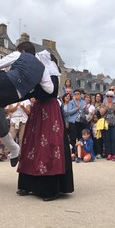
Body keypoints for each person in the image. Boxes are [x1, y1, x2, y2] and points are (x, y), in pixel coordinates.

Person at [16, 51, 74, 201]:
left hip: (49, 111)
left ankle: (50, 189)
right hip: (38, 111)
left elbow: (50, 92)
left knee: (50, 145)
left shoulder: (52, 73)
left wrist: (31, 90)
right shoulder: (39, 73)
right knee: (32, 145)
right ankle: (28, 184)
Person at [100, 90, 115, 161]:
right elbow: (101, 113)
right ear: (106, 97)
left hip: (114, 123)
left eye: (111, 96)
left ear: (113, 97)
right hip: (106, 124)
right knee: (107, 139)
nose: (109, 98)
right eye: (108, 96)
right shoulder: (103, 104)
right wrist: (106, 106)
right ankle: (108, 154)